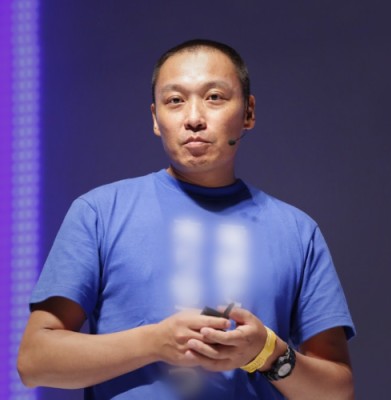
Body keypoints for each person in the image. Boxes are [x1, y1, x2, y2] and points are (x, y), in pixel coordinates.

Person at [18, 39, 355, 400]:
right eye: (175, 100)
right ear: (155, 118)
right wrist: (155, 342)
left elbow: (337, 392)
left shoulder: (298, 232)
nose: (194, 118)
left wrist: (266, 352)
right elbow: (35, 362)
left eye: (214, 97)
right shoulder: (99, 212)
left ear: (248, 113)